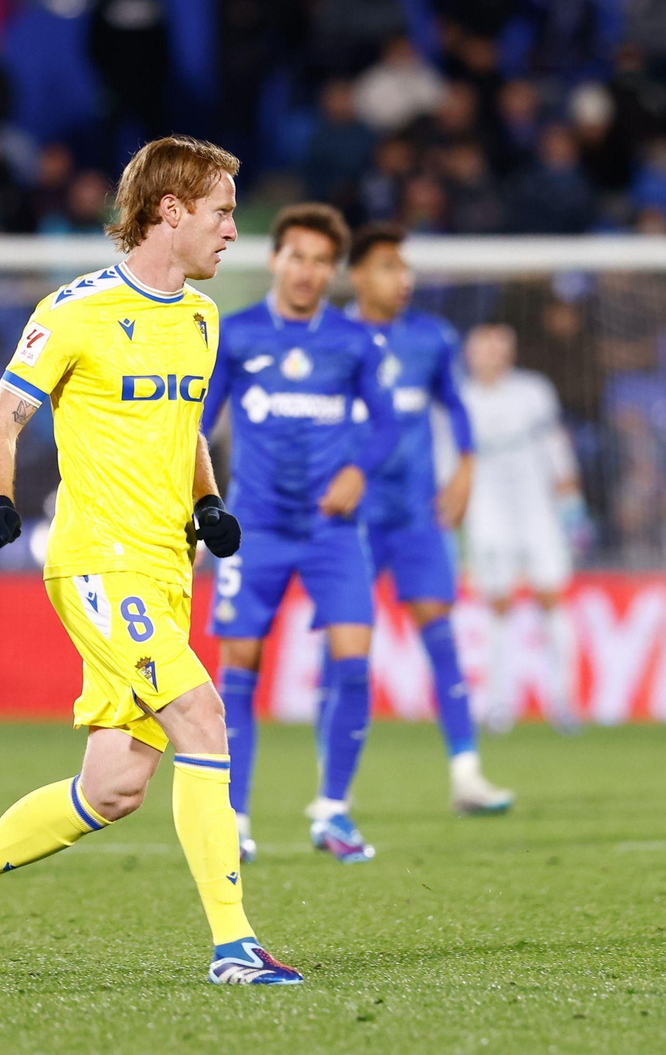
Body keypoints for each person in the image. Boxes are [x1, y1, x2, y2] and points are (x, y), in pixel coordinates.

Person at [0, 136, 303, 987]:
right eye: (223, 213)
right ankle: (234, 946)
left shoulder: (200, 316)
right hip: (97, 564)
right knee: (203, 716)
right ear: (171, 211)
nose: (234, 231)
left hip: (165, 569)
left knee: (113, 789)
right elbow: (2, 419)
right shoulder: (74, 311)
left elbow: (182, 424)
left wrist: (208, 504)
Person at [203, 203, 401, 865]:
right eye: (298, 257)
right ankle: (233, 818)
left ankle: (333, 811)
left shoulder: (351, 342)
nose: (308, 271)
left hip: (331, 529)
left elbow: (386, 425)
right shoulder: (234, 335)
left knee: (353, 656)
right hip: (254, 525)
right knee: (239, 667)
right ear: (275, 260)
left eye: (322, 261)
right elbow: (198, 424)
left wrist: (357, 470)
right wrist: (200, 501)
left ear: (331, 270)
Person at [342, 222, 514, 814]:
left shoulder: (431, 338)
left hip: (417, 513)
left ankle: (467, 775)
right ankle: (332, 787)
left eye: (405, 267)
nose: (403, 278)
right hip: (353, 517)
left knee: (440, 639)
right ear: (359, 274)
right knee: (345, 648)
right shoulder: (332, 337)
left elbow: (456, 406)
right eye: (389, 266)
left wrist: (466, 468)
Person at [460, 323, 583, 732]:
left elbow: (557, 448)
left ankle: (564, 702)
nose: (493, 356)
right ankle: (498, 704)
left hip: (538, 512)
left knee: (552, 599)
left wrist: (572, 505)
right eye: (484, 348)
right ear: (470, 354)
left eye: (500, 348)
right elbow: (451, 465)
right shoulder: (460, 399)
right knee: (497, 604)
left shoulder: (533, 392)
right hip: (488, 514)